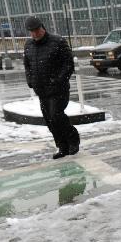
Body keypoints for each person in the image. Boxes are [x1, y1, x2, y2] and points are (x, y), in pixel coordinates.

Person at [23, 16, 80, 159]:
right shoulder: (28, 45)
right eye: (32, 31)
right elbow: (27, 65)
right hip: (41, 90)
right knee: (49, 120)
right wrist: (30, 80)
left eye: (37, 30)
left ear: (42, 27)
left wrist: (58, 80)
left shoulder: (58, 41)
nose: (35, 33)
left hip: (58, 90)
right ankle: (62, 147)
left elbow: (68, 64)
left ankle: (73, 139)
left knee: (56, 116)